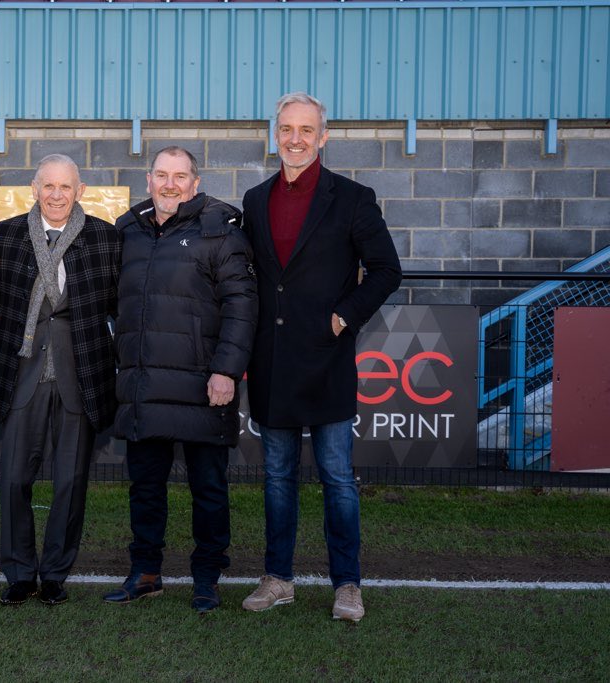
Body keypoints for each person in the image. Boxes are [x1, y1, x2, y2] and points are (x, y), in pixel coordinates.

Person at [240, 93, 402, 622]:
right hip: (273, 362)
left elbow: (385, 270)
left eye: (306, 130)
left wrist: (344, 315)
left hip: (327, 357)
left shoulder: (353, 198)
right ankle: (278, 578)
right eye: (286, 128)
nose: (295, 138)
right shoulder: (255, 198)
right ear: (275, 134)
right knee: (278, 477)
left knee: (336, 476)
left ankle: (348, 584)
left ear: (323, 136)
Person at [103, 146, 257, 614]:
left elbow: (242, 306)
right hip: (143, 386)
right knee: (144, 488)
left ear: (195, 181)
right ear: (148, 179)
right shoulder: (127, 230)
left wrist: (226, 370)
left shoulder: (220, 230)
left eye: (180, 176)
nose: (170, 184)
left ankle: (207, 578)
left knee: (208, 489)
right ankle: (145, 573)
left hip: (202, 388)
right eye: (162, 175)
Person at [0, 154, 121, 606]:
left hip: (80, 374)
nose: (57, 195)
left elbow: (119, 305)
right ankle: (20, 574)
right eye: (49, 186)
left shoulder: (105, 238)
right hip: (21, 372)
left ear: (79, 190)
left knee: (70, 481)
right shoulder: (6, 235)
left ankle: (56, 573)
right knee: (14, 482)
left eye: (66, 187)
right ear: (35, 188)